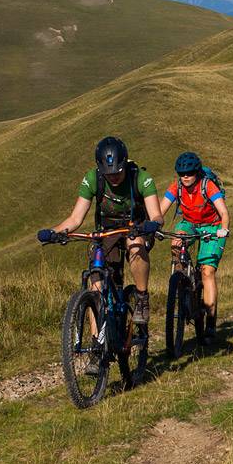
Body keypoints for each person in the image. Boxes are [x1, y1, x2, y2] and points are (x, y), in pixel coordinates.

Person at [37, 136, 164, 324]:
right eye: (108, 174)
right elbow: (75, 218)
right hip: (107, 230)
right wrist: (54, 232)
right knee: (96, 286)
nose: (113, 177)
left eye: (117, 172)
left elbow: (156, 215)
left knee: (135, 245)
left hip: (137, 228)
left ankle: (141, 298)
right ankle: (98, 338)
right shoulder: (92, 179)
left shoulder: (141, 178)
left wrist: (153, 224)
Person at [160, 151, 230, 344]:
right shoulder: (177, 187)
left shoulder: (208, 186)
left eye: (190, 173)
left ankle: (210, 323)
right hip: (190, 223)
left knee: (207, 271)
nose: (186, 177)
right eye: (182, 173)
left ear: (197, 172)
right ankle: (181, 279)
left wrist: (223, 229)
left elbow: (224, 212)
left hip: (213, 226)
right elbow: (160, 210)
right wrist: (152, 225)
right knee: (176, 242)